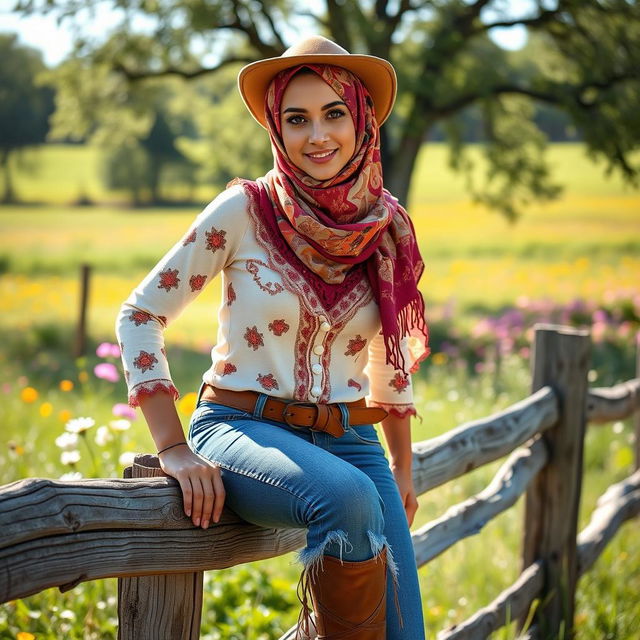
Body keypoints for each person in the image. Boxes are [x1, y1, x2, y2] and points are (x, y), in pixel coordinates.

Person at [116, 35, 430, 640]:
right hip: (240, 426)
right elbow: (139, 315)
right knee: (350, 500)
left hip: (353, 437)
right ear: (276, 130)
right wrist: (173, 447)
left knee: (404, 630)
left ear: (361, 120)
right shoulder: (244, 209)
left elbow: (389, 355)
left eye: (334, 113)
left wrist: (403, 464)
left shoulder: (386, 226)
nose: (318, 135)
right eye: (297, 119)